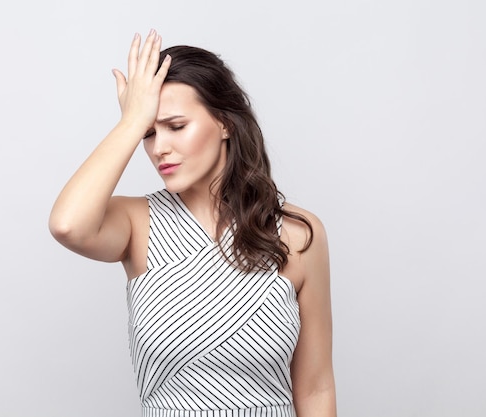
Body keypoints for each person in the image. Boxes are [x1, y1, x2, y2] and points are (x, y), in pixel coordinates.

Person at [49, 29, 336, 417]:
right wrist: (131, 121)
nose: (158, 148)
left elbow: (316, 388)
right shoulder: (137, 223)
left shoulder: (298, 234)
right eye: (149, 134)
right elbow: (68, 225)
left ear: (225, 124)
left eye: (176, 126)